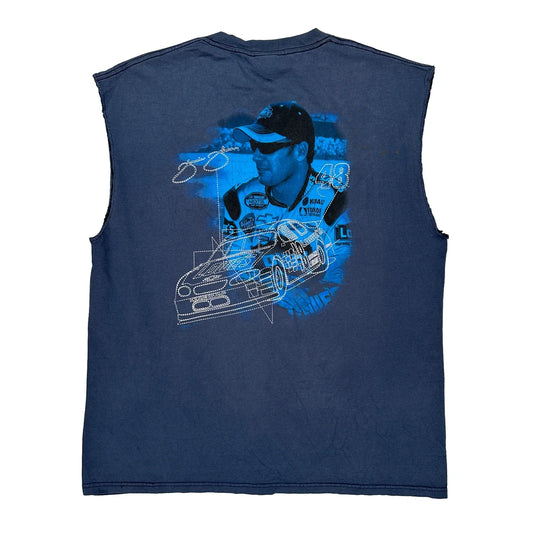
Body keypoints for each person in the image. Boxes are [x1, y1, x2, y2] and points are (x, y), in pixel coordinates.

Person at [221, 101, 352, 317]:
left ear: (300, 151)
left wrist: (301, 302)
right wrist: (274, 292)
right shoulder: (237, 202)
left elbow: (344, 281)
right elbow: (232, 268)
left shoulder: (336, 203)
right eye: (254, 145)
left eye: (267, 147)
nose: (255, 156)